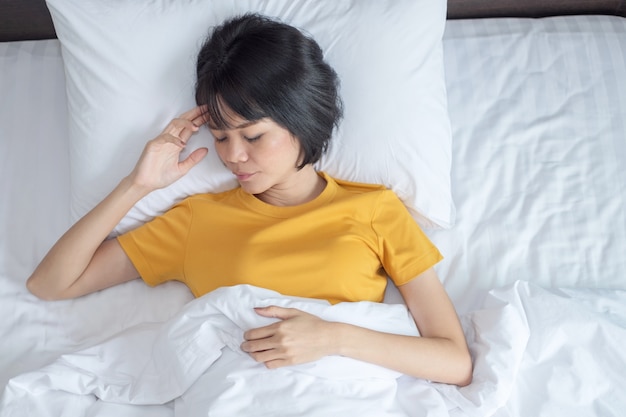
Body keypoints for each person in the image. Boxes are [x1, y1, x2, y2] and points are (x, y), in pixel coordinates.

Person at [26, 13, 472, 387]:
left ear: (301, 119)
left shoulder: (375, 210)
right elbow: (50, 285)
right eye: (220, 137)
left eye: (253, 135)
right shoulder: (196, 221)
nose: (232, 156)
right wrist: (137, 185)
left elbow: (454, 361)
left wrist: (333, 338)